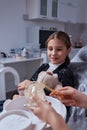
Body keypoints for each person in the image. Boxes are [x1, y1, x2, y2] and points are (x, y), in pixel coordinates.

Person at [18, 31, 74, 96]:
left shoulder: (65, 72)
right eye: (50, 49)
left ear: (68, 50)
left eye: (59, 49)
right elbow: (31, 81)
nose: (53, 53)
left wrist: (31, 85)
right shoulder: (44, 66)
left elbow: (61, 96)